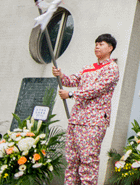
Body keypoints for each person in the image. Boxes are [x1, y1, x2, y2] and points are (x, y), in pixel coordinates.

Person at [52, 33, 120, 185]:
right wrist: (60, 75)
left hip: (94, 121)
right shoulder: (88, 68)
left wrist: (71, 94)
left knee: (88, 159)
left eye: (101, 44)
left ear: (110, 48)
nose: (97, 46)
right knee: (72, 159)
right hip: (76, 119)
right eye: (96, 43)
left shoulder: (112, 68)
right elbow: (71, 80)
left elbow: (97, 89)